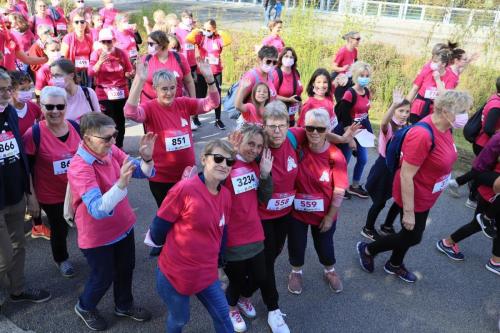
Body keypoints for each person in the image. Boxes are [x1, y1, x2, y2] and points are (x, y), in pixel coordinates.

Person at [357, 90, 473, 283]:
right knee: (413, 236)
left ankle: (394, 264)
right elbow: (406, 175)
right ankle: (368, 249)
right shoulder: (422, 134)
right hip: (414, 194)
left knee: (408, 234)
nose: (465, 116)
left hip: (427, 193)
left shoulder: (445, 128)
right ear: (445, 111)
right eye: (462, 111)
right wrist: (409, 212)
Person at [68, 112, 155, 331]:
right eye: (107, 138)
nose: (113, 141)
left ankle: (124, 305)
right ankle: (85, 306)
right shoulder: (80, 167)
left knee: (126, 269)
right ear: (87, 138)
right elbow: (97, 209)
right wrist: (121, 184)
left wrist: (146, 159)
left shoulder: (109, 150)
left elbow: (143, 173)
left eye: (114, 135)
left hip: (123, 226)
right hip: (97, 236)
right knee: (103, 277)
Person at [146, 139, 235, 333]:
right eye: (218, 158)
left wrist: (220, 266)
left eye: (229, 162)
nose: (224, 164)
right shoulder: (184, 189)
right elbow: (158, 227)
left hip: (207, 273)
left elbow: (222, 232)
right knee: (180, 320)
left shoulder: (226, 196)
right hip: (176, 274)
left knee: (223, 316)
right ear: (203, 159)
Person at [124, 59, 220, 207]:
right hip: (161, 178)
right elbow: (129, 113)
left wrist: (210, 80)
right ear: (155, 89)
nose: (169, 93)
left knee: (189, 216)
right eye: (164, 89)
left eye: (172, 88)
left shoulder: (184, 103)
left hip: (187, 174)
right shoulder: (149, 107)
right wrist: (139, 80)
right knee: (168, 218)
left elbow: (212, 103)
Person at [0, 69, 51, 310]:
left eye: (8, 89)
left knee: (19, 245)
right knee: (4, 257)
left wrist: (30, 194)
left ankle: (17, 290)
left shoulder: (9, 112)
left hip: (15, 194)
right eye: (1, 90)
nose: (7, 94)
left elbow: (20, 156)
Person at [287, 108, 348, 295]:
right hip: (297, 212)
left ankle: (329, 270)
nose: (314, 132)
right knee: (297, 243)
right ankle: (296, 272)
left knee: (325, 245)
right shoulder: (297, 148)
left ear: (327, 130)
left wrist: (330, 217)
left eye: (320, 129)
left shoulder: (335, 155)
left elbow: (339, 189)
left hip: (324, 213)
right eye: (310, 127)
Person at [22, 86, 81, 278]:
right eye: (50, 106)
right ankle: (61, 259)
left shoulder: (76, 127)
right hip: (51, 194)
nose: (55, 111)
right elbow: (26, 169)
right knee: (59, 228)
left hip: (79, 190)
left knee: (89, 223)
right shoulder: (34, 134)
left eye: (59, 106)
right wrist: (31, 197)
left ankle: (95, 254)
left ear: (65, 106)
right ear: (41, 107)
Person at [223, 124, 273, 332]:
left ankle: (245, 299)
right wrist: (228, 157)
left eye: (259, 146)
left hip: (255, 233)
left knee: (259, 275)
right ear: (239, 140)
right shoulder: (226, 165)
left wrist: (265, 175)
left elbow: (264, 199)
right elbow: (211, 188)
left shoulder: (256, 166)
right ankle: (231, 307)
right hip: (233, 237)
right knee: (236, 278)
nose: (255, 149)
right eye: (251, 144)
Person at [436, 132, 500, 276]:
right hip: (490, 190)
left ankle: (496, 261)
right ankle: (447, 243)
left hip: (494, 191)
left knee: (485, 225)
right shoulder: (498, 138)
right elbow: (478, 169)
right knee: (478, 223)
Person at [361, 89, 410, 240]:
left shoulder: (408, 127)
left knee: (399, 199)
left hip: (398, 168)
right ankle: (368, 228)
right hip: (384, 168)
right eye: (400, 110)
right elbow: (383, 122)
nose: (403, 114)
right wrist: (394, 105)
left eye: (407, 111)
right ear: (394, 111)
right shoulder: (389, 127)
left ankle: (388, 225)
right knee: (380, 202)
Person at [448, 76, 500, 207]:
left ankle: (457, 183)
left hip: (484, 143)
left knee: (478, 170)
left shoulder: (494, 98)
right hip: (486, 145)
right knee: (482, 172)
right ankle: (471, 198)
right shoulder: (497, 106)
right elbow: (488, 128)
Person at [89, 28, 134, 149]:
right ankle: (108, 148)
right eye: (103, 42)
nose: (106, 45)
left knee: (120, 122)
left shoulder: (121, 53)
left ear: (114, 41)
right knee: (108, 122)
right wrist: (99, 62)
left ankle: (119, 147)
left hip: (121, 92)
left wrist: (130, 74)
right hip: (104, 93)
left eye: (109, 41)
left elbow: (129, 70)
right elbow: (90, 73)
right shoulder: (96, 54)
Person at [337, 61, 374, 199]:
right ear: (355, 76)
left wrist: (369, 132)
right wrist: (350, 138)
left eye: (367, 75)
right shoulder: (349, 94)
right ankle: (339, 186)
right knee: (344, 161)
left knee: (363, 158)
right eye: (361, 75)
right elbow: (344, 117)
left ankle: (355, 186)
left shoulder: (367, 92)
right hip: (348, 131)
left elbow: (365, 114)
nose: (364, 77)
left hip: (361, 130)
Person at [186, 19, 231, 130]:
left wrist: (220, 32)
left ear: (214, 29)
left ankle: (218, 119)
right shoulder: (201, 38)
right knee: (199, 95)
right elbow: (188, 39)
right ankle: (195, 118)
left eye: (208, 29)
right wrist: (197, 30)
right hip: (202, 71)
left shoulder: (218, 39)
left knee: (217, 95)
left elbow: (228, 41)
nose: (206, 31)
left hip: (216, 72)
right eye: (204, 29)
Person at [406, 49, 457, 124]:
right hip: (419, 107)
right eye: (432, 61)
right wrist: (404, 107)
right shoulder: (426, 71)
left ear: (443, 64)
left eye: (435, 62)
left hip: (435, 110)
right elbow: (414, 89)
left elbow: (445, 96)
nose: (432, 64)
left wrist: (437, 79)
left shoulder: (451, 77)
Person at [141, 30, 194, 102]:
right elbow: (137, 83)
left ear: (161, 44)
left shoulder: (179, 57)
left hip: (176, 104)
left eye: (151, 44)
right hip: (150, 104)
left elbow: (189, 81)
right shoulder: (145, 59)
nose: (148, 46)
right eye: (148, 43)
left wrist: (193, 102)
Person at [61, 9, 94, 87]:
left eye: (82, 22)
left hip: (87, 73)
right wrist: (71, 75)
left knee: (86, 96)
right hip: (73, 74)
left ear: (86, 23)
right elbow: (63, 60)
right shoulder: (68, 38)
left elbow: (92, 57)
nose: (80, 24)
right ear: (73, 24)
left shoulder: (89, 38)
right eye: (77, 22)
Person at [273, 47, 302, 126]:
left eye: (291, 57)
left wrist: (301, 112)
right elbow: (271, 95)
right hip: (278, 116)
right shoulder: (276, 74)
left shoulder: (296, 73)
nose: (288, 59)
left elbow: (299, 94)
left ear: (294, 59)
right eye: (286, 56)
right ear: (281, 57)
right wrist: (288, 99)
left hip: (292, 116)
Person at [331, 31, 360, 104]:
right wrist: (342, 69)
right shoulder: (342, 51)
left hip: (349, 79)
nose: (359, 41)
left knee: (351, 102)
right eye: (357, 39)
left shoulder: (355, 51)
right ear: (350, 39)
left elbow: (355, 64)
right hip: (340, 81)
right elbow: (333, 67)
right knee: (341, 104)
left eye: (359, 39)